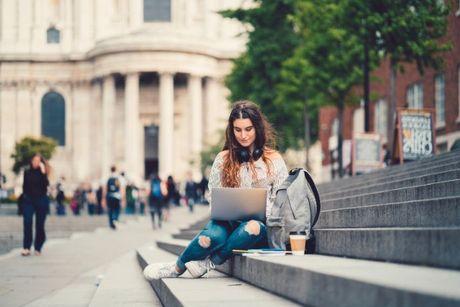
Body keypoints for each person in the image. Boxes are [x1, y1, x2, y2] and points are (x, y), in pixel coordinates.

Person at [143, 100, 288, 280]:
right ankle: (176, 268)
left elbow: (282, 201)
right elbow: (212, 194)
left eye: (248, 129)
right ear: (231, 130)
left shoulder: (274, 159)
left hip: (261, 226)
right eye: (238, 130)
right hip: (228, 221)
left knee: (251, 227)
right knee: (210, 237)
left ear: (257, 128)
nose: (243, 135)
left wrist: (262, 209)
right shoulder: (222, 159)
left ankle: (209, 263)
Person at [21, 154, 51, 256]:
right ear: (31, 161)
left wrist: (43, 172)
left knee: (40, 225)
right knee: (27, 222)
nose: (35, 162)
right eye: (34, 160)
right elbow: (24, 186)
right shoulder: (27, 172)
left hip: (41, 200)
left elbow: (46, 185)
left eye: (38, 161)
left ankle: (38, 247)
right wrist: (24, 198)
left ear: (41, 163)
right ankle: (26, 247)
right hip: (29, 200)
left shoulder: (43, 173)